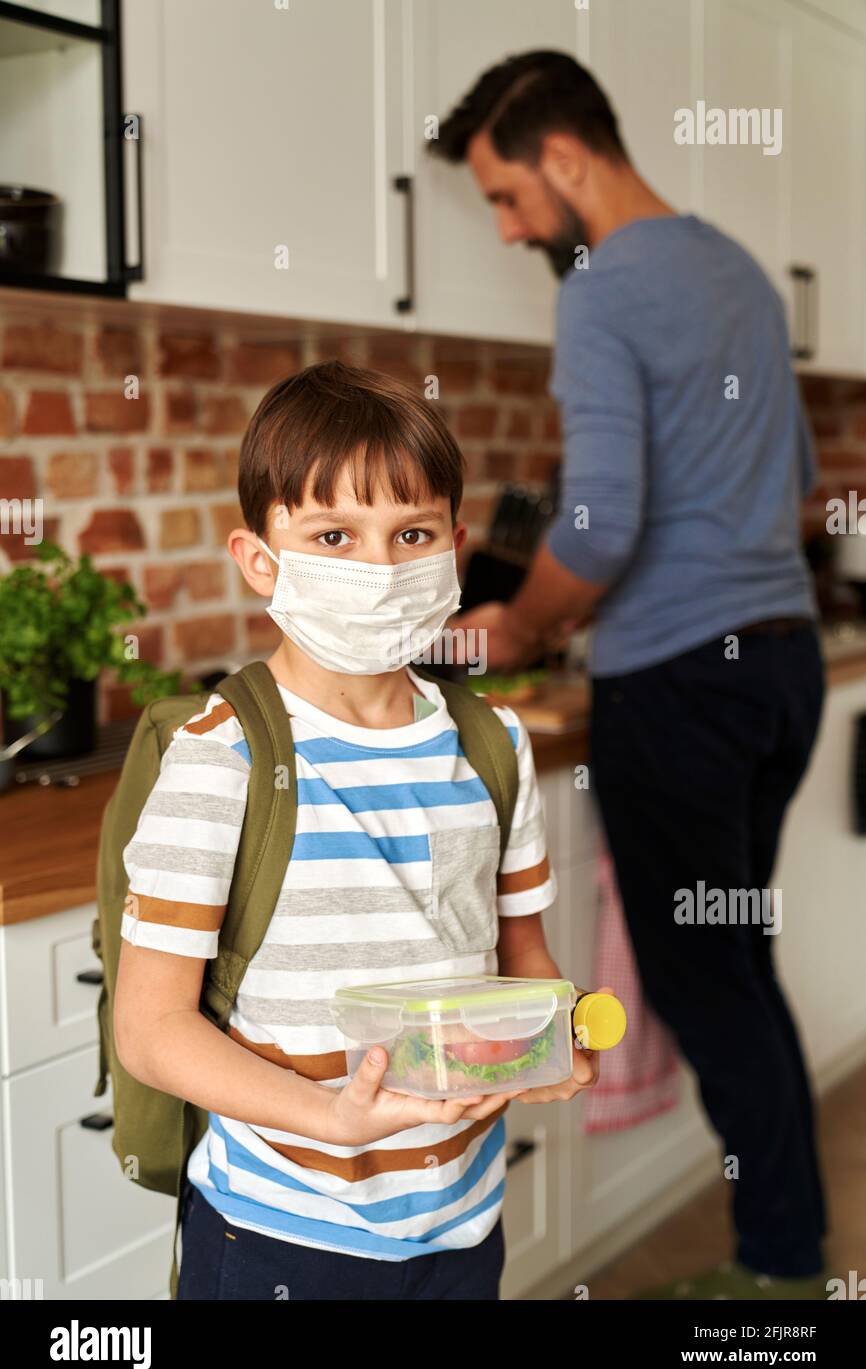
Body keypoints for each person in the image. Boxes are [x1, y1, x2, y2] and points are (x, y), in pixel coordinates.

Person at [434, 51, 829, 1300]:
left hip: (682, 684)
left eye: (503, 197)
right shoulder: (737, 274)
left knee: (705, 977)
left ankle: (775, 1268)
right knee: (734, 960)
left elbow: (601, 529)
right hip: (779, 670)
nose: (504, 231)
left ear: (564, 157)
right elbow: (798, 485)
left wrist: (515, 625)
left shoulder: (602, 290)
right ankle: (788, 1242)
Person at [113, 359, 603, 1302]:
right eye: (333, 534)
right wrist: (328, 1117)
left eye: (410, 533)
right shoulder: (224, 758)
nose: (378, 569)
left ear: (453, 549)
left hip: (464, 1218)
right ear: (262, 560)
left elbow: (523, 956)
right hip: (280, 1231)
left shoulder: (489, 742)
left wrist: (560, 1032)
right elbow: (150, 1027)